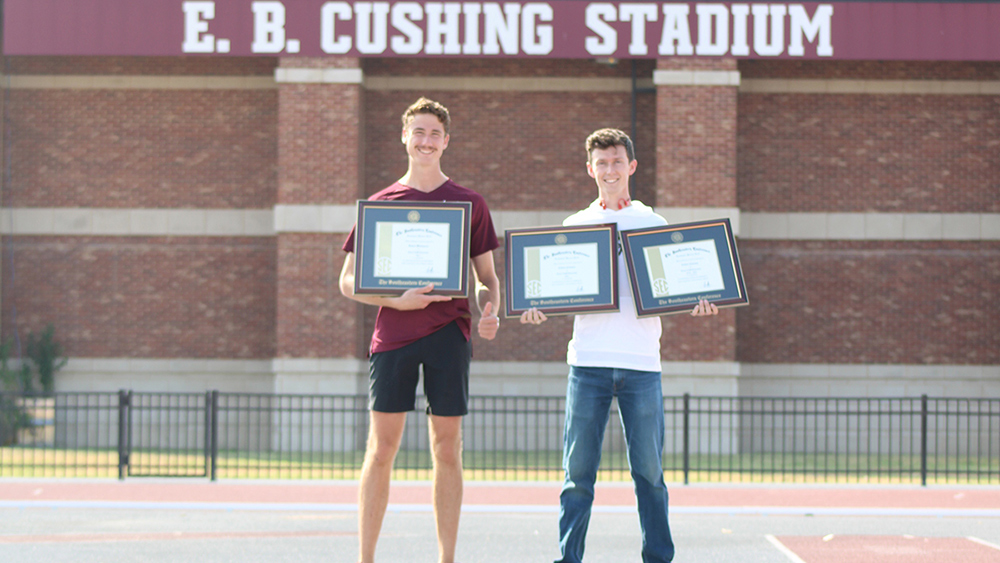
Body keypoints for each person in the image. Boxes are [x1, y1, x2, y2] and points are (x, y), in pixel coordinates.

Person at [520, 128, 718, 563]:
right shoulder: (574, 226)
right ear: (590, 169)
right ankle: (568, 559)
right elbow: (556, 290)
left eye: (617, 161)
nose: (610, 170)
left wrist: (697, 299)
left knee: (649, 474)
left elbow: (673, 287)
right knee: (577, 477)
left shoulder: (654, 224)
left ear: (631, 166)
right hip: (587, 363)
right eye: (601, 163)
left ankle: (658, 558)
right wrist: (536, 306)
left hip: (642, 365)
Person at [339, 97, 501, 563]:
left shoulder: (470, 203)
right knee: (381, 448)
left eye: (435, 134)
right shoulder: (381, 205)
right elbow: (347, 281)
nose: (426, 141)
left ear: (446, 141)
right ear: (404, 137)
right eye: (419, 132)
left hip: (449, 335)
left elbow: (486, 279)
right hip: (393, 338)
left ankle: (446, 558)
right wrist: (395, 299)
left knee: (447, 449)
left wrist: (489, 309)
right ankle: (366, 558)